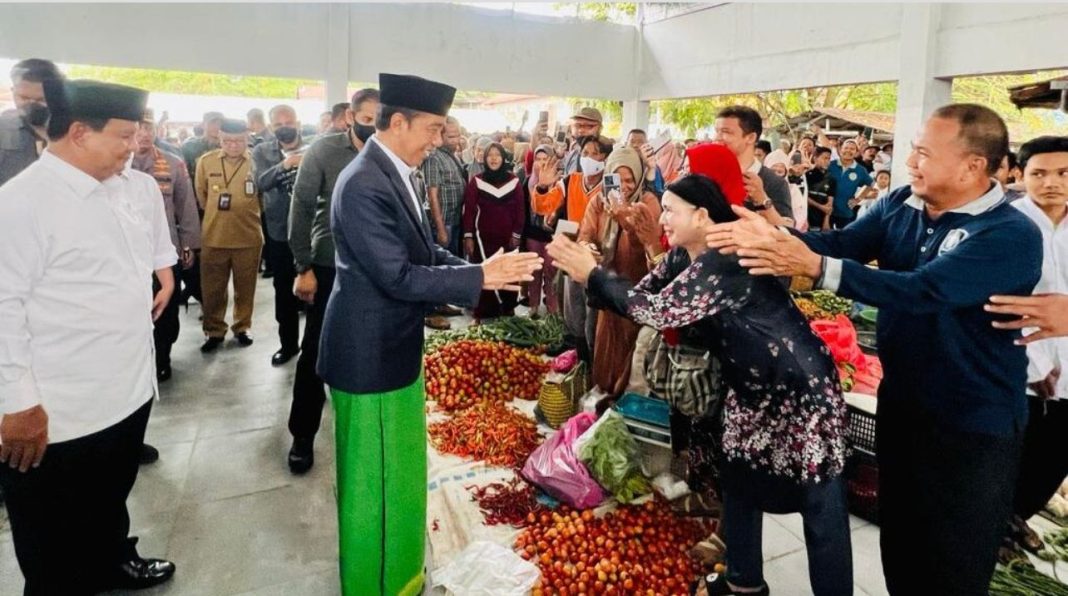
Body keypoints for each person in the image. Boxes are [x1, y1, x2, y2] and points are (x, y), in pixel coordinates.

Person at [707, 104, 1044, 595]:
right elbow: (844, 242)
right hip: (903, 402)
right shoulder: (904, 202)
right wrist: (776, 236)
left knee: (954, 557)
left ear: (972, 165)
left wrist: (816, 267)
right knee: (901, 539)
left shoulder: (1010, 235)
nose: (911, 162)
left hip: (971, 423)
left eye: (924, 152)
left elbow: (923, 291)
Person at [549, 172, 851, 596]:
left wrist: (595, 275)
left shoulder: (724, 257)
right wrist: (590, 274)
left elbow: (660, 312)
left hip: (798, 391)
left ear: (703, 215)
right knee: (740, 481)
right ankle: (744, 583)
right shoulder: (682, 256)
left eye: (671, 211)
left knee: (820, 505)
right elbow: (644, 297)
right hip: (748, 387)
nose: (664, 219)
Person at [317, 73, 541, 596]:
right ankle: (370, 585)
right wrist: (479, 278)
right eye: (433, 129)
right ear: (398, 123)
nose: (439, 141)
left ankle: (400, 576)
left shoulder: (393, 171)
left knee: (400, 474)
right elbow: (397, 276)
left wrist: (481, 269)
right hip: (367, 356)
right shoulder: (364, 184)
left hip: (391, 350)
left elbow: (424, 254)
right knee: (371, 487)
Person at [0, 79, 177, 595]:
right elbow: (3, 308)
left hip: (126, 392)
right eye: (125, 135)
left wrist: (164, 269)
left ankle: (112, 560)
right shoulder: (22, 204)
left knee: (108, 501)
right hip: (59, 410)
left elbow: (147, 249)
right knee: (52, 542)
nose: (135, 145)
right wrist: (18, 404)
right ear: (79, 132)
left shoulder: (130, 187)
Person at [286, 88, 379, 474]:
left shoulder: (391, 155)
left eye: (380, 119)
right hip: (330, 266)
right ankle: (303, 435)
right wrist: (302, 266)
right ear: (351, 117)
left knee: (371, 352)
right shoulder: (324, 152)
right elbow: (302, 207)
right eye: (368, 119)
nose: (373, 127)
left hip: (376, 269)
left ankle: (368, 435)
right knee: (317, 351)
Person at [1000, 136, 1068, 560]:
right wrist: (1033, 364)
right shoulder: (1006, 224)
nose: (1052, 183)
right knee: (1008, 461)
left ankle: (1012, 521)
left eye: (1063, 173)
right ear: (1018, 176)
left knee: (1051, 464)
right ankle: (994, 531)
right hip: (1019, 369)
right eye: (1039, 173)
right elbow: (996, 303)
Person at [578, 146, 664, 397]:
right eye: (618, 178)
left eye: (630, 180)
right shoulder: (598, 200)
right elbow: (586, 234)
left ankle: (625, 401)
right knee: (604, 346)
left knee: (632, 351)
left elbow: (648, 243)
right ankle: (604, 396)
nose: (624, 186)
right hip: (607, 287)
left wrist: (624, 217)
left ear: (639, 178)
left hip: (636, 289)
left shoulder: (647, 202)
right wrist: (588, 249)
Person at [131, 108, 201, 382]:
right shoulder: (116, 164)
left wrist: (188, 245)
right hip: (129, 253)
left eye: (148, 128)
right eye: (138, 128)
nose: (144, 134)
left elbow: (185, 207)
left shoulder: (173, 164)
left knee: (166, 310)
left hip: (166, 249)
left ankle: (163, 356)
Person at [533, 135, 613, 358]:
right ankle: (572, 343)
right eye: (585, 153)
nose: (588, 158)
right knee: (571, 301)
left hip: (597, 255)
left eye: (595, 153)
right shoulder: (570, 181)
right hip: (570, 250)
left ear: (606, 158)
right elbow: (543, 206)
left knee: (593, 307)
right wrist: (542, 185)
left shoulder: (610, 184)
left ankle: (591, 352)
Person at [194, 118, 262, 352]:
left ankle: (242, 326)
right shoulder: (206, 162)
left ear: (247, 139)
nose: (233, 145)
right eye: (228, 141)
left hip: (249, 237)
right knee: (212, 288)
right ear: (220, 139)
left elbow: (264, 198)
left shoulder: (257, 162)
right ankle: (214, 330)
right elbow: (202, 197)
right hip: (214, 236)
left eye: (239, 141)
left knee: (246, 287)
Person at [251, 105, 307, 366]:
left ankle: (315, 347)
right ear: (272, 127)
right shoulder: (263, 151)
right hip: (280, 231)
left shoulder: (315, 147)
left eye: (289, 120)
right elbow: (260, 182)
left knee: (318, 290)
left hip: (311, 231)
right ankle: (288, 345)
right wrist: (285, 165)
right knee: (284, 291)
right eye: (278, 123)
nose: (284, 125)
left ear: (298, 122)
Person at [462, 142, 527, 320]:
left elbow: (521, 211)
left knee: (509, 272)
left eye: (497, 155)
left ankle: (507, 307)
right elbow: (469, 211)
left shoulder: (513, 181)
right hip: (483, 240)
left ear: (503, 157)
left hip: (508, 239)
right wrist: (468, 236)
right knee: (484, 273)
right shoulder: (477, 182)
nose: (493, 158)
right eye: (490, 155)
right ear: (484, 158)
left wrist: (516, 234)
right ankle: (483, 312)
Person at [712, 106, 794, 226]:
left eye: (726, 132)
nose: (717, 138)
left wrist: (762, 200)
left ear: (750, 137)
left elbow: (788, 232)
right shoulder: (706, 176)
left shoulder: (774, 183)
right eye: (716, 131)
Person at [523, 144, 560, 317]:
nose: (542, 163)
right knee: (534, 270)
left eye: (546, 159)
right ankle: (533, 306)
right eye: (538, 159)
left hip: (551, 235)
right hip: (533, 234)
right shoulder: (528, 181)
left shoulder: (560, 184)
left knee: (551, 272)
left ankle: (553, 309)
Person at [423, 115, 467, 257]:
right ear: (440, 136)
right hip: (443, 222)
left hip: (455, 219)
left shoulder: (453, 155)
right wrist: (441, 228)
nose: (456, 141)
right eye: (451, 137)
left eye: (458, 136)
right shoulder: (434, 158)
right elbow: (432, 195)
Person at [827, 139, 873, 228]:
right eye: (846, 148)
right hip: (826, 210)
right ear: (840, 150)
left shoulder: (860, 170)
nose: (848, 151)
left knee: (843, 239)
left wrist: (858, 199)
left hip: (845, 211)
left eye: (852, 149)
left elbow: (870, 184)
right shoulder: (830, 164)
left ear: (856, 153)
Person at [764, 151, 808, 230]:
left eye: (780, 172)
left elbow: (799, 215)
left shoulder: (792, 190)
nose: (776, 175)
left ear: (785, 173)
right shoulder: (758, 187)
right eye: (773, 171)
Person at [181, 111, 223, 183]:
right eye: (212, 123)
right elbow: (184, 175)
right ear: (203, 125)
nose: (217, 127)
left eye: (220, 123)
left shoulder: (229, 148)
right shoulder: (190, 146)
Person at [563, 106, 604, 175]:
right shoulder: (573, 154)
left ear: (600, 128)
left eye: (589, 126)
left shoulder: (607, 155)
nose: (581, 130)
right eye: (578, 125)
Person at [804, 147, 837, 231]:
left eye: (829, 159)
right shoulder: (806, 175)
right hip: (807, 217)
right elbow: (803, 197)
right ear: (815, 158)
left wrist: (826, 221)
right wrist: (821, 207)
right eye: (824, 158)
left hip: (821, 220)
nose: (827, 161)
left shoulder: (831, 178)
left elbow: (830, 203)